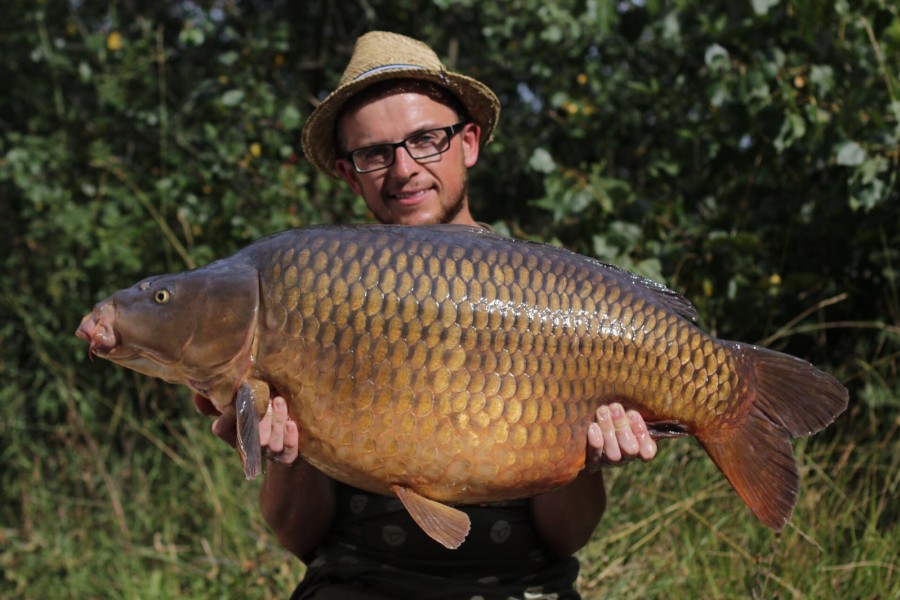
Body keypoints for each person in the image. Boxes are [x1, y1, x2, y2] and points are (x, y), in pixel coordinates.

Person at [199, 31, 657, 599]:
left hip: (521, 585)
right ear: (349, 172)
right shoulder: (313, 298)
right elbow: (297, 535)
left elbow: (566, 537)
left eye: (426, 140)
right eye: (375, 153)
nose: (404, 169)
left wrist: (585, 461)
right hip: (358, 584)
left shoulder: (547, 297)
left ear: (468, 142)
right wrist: (288, 448)